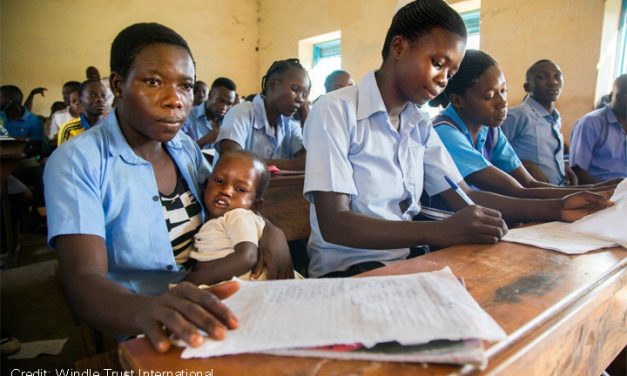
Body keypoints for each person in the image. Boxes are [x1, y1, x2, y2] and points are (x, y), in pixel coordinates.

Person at [302, 0, 613, 278]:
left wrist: (557, 207)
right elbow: (335, 223)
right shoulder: (336, 110)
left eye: (451, 72)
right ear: (398, 48)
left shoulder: (418, 124)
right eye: (438, 63)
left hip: (410, 262)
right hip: (349, 271)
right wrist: (441, 230)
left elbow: (465, 196)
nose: (443, 80)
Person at [44, 22, 294, 353]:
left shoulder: (184, 149)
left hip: (216, 298)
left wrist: (269, 230)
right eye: (154, 81)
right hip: (143, 321)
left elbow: (229, 198)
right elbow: (83, 281)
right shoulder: (78, 162)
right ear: (119, 84)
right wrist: (147, 308)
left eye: (186, 86)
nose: (175, 101)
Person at [430, 50, 619, 203]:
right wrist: (572, 202)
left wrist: (601, 189)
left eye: (503, 91)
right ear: (457, 100)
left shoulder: (490, 130)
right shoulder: (445, 133)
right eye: (489, 96)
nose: (502, 102)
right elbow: (517, 191)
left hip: (480, 219)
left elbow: (529, 183)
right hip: (448, 227)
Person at [186, 150, 303, 285]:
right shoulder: (219, 220)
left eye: (241, 189)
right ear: (206, 185)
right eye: (219, 181)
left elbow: (247, 257)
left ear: (256, 205)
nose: (226, 190)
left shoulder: (238, 216)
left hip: (253, 286)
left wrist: (191, 280)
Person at [216, 58, 310, 170]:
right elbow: (232, 162)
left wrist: (304, 112)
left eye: (304, 94)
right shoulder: (241, 113)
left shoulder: (289, 125)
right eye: (295, 89)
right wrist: (293, 164)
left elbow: (308, 160)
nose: (300, 99)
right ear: (272, 84)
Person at [501, 60, 577, 185]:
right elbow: (490, 152)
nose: (553, 82)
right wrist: (523, 165)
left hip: (559, 189)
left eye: (557, 76)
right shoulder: (518, 115)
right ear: (527, 87)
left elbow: (546, 154)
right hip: (533, 196)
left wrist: (561, 168)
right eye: (542, 77)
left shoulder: (554, 117)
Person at [569, 74, 627, 183]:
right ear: (611, 97)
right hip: (600, 193)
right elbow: (578, 171)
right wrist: (610, 192)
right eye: (623, 96)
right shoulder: (590, 123)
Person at [183, 77, 237, 149]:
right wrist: (205, 140)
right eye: (221, 101)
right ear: (210, 95)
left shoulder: (230, 121)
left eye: (229, 104)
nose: (224, 107)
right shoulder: (187, 117)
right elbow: (181, 153)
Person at [57, 79, 108, 146]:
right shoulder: (68, 130)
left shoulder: (112, 125)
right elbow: (62, 155)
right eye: (93, 95)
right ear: (81, 101)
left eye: (103, 95)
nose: (100, 99)